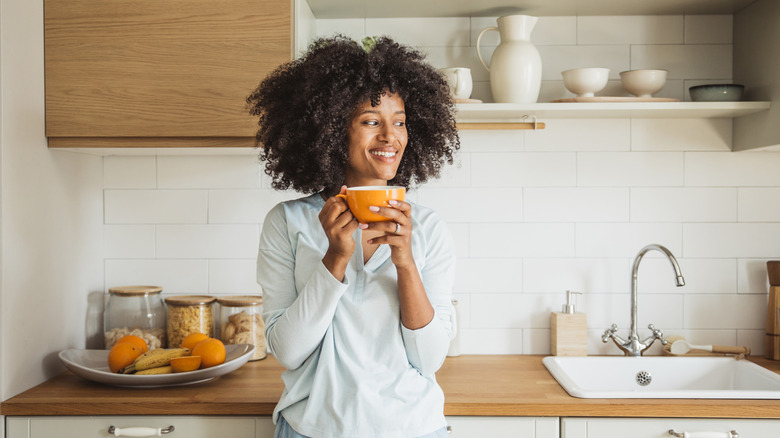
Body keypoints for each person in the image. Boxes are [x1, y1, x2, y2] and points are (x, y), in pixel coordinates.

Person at [247, 35, 461, 438]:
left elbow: (429, 359)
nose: (390, 136)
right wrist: (335, 260)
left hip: (413, 428)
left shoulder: (428, 228)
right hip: (313, 429)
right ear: (330, 129)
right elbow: (288, 352)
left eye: (399, 121)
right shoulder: (287, 222)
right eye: (370, 121)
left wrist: (406, 263)